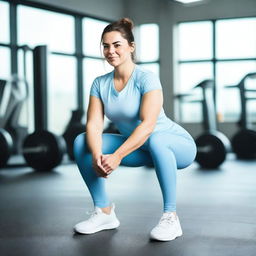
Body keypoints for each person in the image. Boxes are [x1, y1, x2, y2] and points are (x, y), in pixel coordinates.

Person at [73, 17, 197, 241]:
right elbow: (94, 124)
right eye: (106, 45)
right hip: (140, 148)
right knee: (82, 141)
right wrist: (96, 155)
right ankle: (104, 212)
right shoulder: (100, 83)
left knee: (157, 139)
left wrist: (118, 156)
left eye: (117, 44)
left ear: (131, 47)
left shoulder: (146, 78)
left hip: (176, 146)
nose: (111, 51)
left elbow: (148, 125)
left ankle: (171, 217)